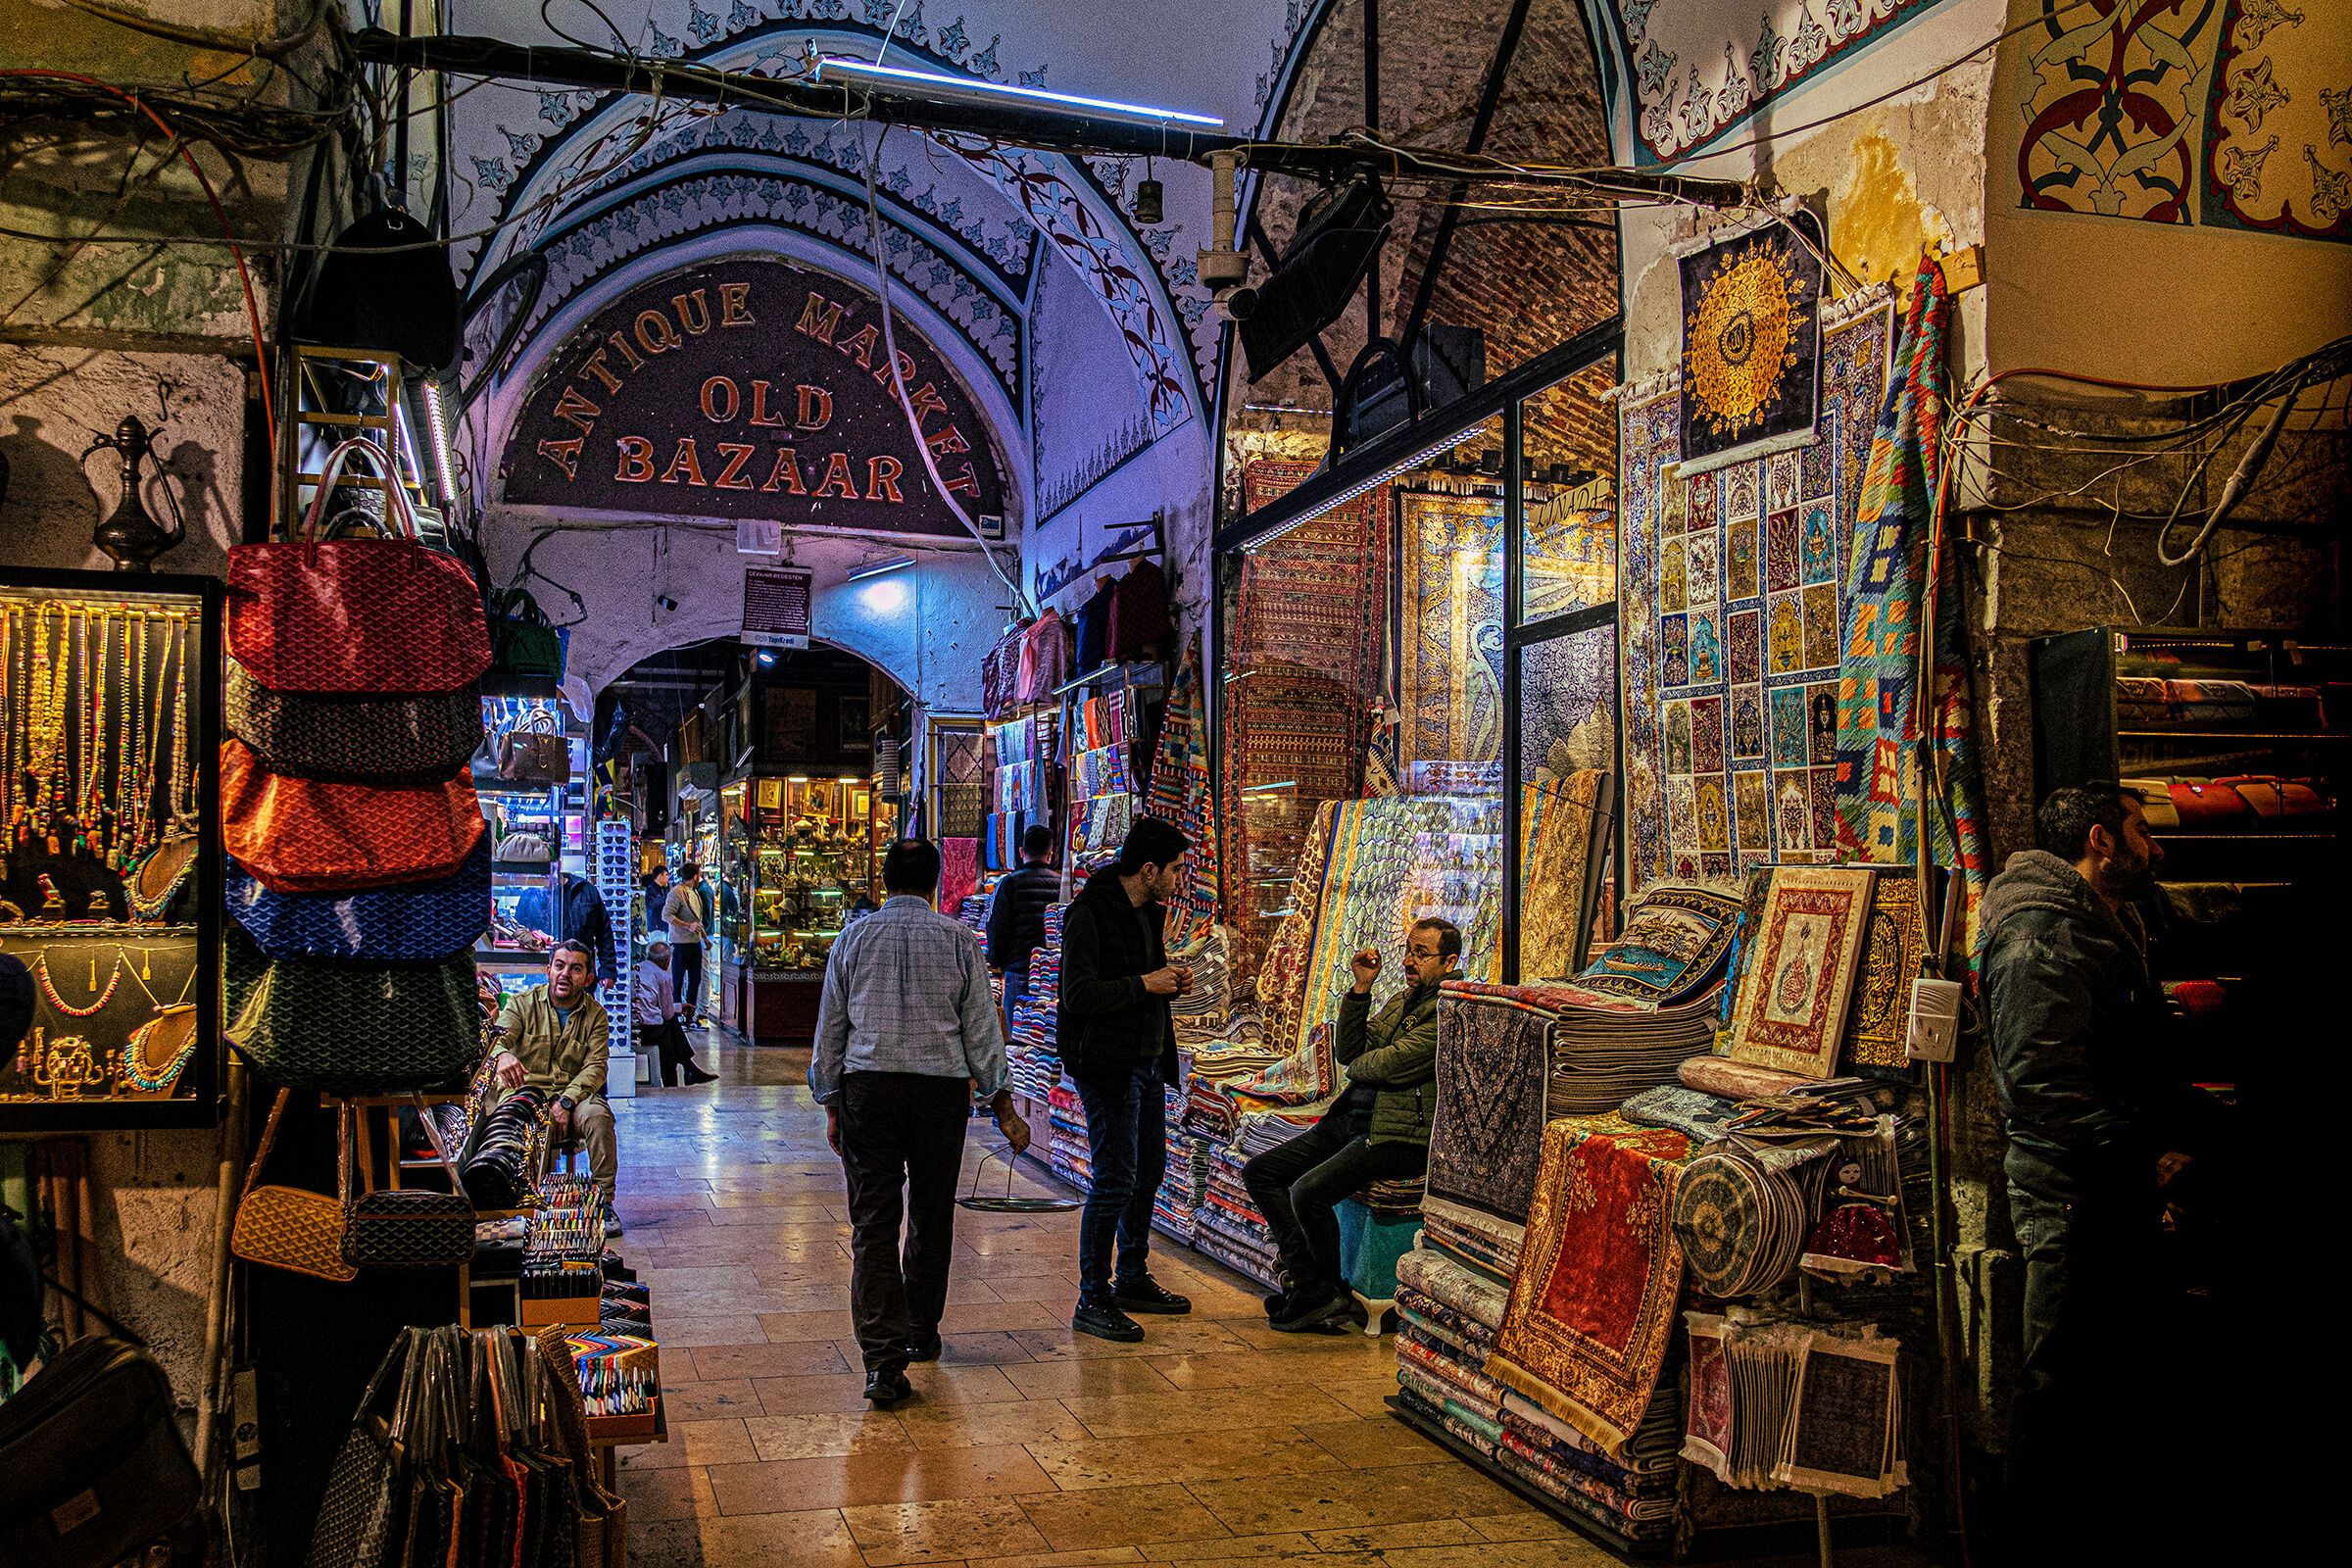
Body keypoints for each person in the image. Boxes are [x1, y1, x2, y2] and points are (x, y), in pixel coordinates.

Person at [1982, 783, 2225, 1556]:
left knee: (2113, 1372)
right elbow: (2042, 1084)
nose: (2157, 848)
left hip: (2105, 1179)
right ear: (2102, 839)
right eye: (2142, 832)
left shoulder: (2098, 921)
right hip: (2070, 1187)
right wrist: (2136, 1153)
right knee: (2057, 1379)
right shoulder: (2040, 935)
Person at [810, 838, 1030, 1404]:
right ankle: (920, 1331)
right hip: (939, 1096)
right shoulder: (958, 939)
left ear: (884, 880)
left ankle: (883, 1362)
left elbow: (831, 1029)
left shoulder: (853, 938)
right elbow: (982, 1028)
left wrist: (831, 1102)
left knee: (874, 1223)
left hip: (869, 1092)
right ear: (935, 883)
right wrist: (1003, 1105)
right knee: (931, 1216)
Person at [1245, 917, 1458, 1332]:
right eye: (1408, 950)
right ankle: (1312, 1284)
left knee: (1308, 1192)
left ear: (1449, 961)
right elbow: (1349, 1049)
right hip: (1352, 1118)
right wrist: (1361, 990)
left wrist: (1360, 1064)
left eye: (1421, 954)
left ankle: (1321, 1289)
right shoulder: (1401, 1000)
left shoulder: (1448, 1010)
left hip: (1396, 1135)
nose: (1409, 960)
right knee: (1261, 1172)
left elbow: (1391, 1065)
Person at [1057, 817, 1195, 1342]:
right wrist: (1145, 984)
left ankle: (1132, 1276)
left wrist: (1168, 983)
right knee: (1114, 1178)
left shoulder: (1147, 913)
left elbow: (1142, 983)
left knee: (1148, 1171)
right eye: (1176, 870)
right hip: (1108, 1066)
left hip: (1147, 1061)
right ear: (1149, 869)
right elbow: (1077, 995)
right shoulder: (1090, 913)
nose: (1180, 879)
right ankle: (1092, 1297)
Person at [490, 941, 621, 1234]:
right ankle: (519, 1199)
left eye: (575, 969)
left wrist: (565, 1102)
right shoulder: (521, 1004)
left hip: (572, 1097)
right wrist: (503, 1055)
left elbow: (596, 1067)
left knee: (598, 1117)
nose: (565, 974)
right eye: (559, 966)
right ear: (548, 970)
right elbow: (497, 1041)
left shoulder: (596, 1016)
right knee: (520, 1121)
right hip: (526, 1094)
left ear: (588, 978)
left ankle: (604, 1202)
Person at [984, 823, 1058, 1041]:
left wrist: (995, 962)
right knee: (1049, 1037)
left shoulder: (1010, 883)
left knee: (1019, 1038)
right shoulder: (1061, 884)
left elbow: (997, 926)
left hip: (1019, 969)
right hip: (1053, 972)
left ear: (1020, 851)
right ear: (1050, 853)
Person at [636, 940, 715, 1087]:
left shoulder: (637, 968)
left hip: (633, 1026)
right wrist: (677, 1009)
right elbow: (667, 1014)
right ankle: (676, 1081)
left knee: (671, 1027)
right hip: (647, 1029)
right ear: (667, 961)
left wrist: (679, 1007)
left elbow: (658, 1008)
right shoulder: (663, 976)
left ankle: (690, 1069)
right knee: (670, 1039)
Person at [663, 860, 712, 1025]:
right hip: (680, 944)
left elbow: (697, 920)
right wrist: (687, 926)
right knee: (677, 980)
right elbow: (666, 915)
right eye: (699, 874)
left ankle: (690, 1015)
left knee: (695, 979)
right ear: (695, 876)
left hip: (695, 943)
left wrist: (704, 937)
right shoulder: (677, 892)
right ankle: (676, 1015)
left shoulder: (695, 892)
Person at [642, 861, 672, 943]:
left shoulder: (665, 889)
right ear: (660, 876)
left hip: (665, 926)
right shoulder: (651, 889)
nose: (668, 877)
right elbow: (651, 904)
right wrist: (666, 897)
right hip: (656, 927)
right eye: (666, 875)